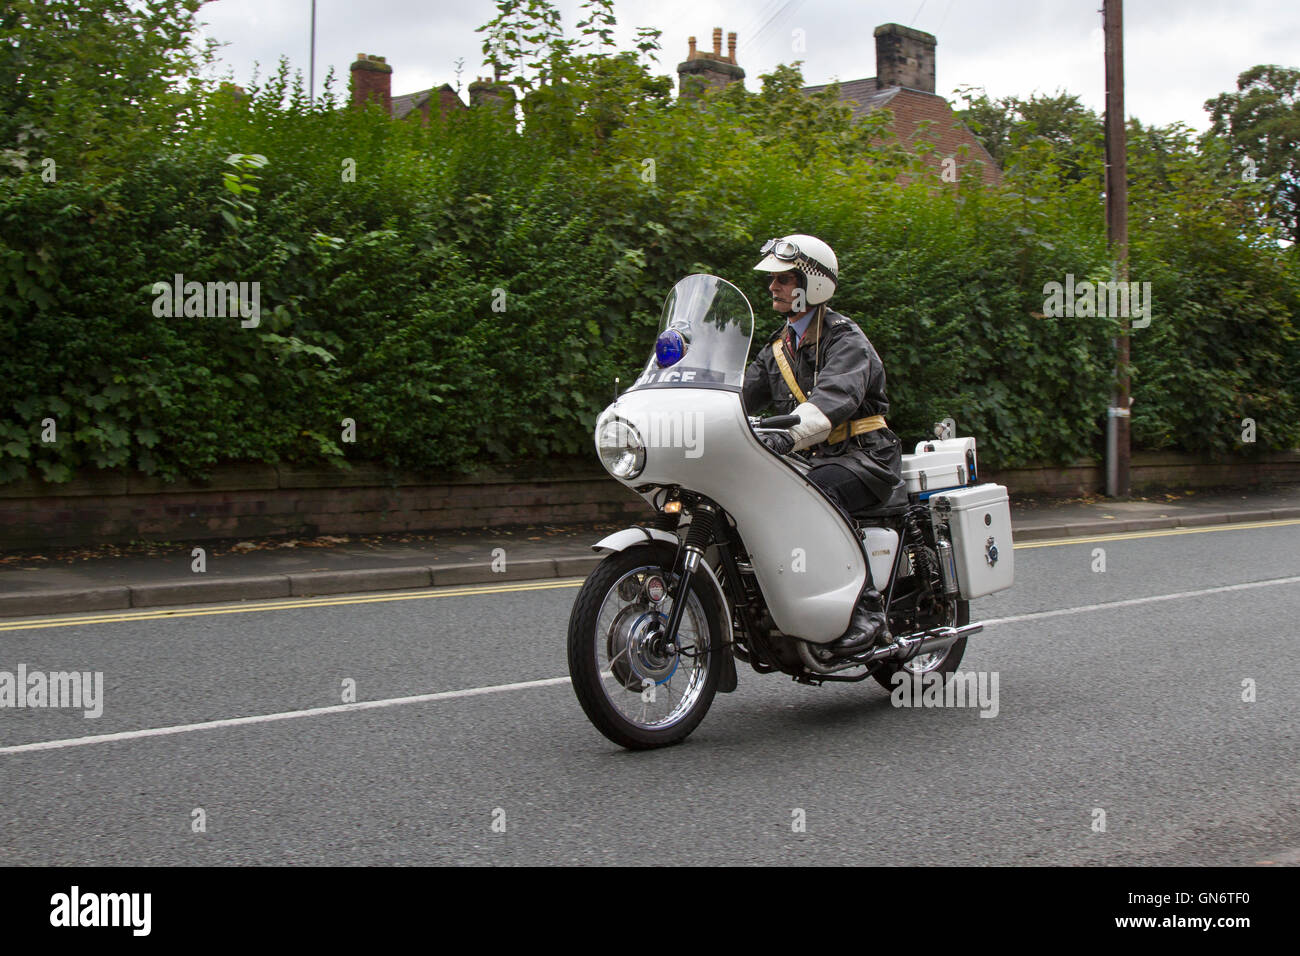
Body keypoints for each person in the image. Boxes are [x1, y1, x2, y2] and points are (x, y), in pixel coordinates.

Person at [741, 234, 904, 652]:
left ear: (812, 284)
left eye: (783, 278)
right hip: (814, 457)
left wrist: (786, 436)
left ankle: (865, 607)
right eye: (773, 278)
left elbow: (833, 400)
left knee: (818, 494)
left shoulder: (845, 339)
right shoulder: (779, 347)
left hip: (864, 456)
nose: (773, 286)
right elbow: (739, 393)